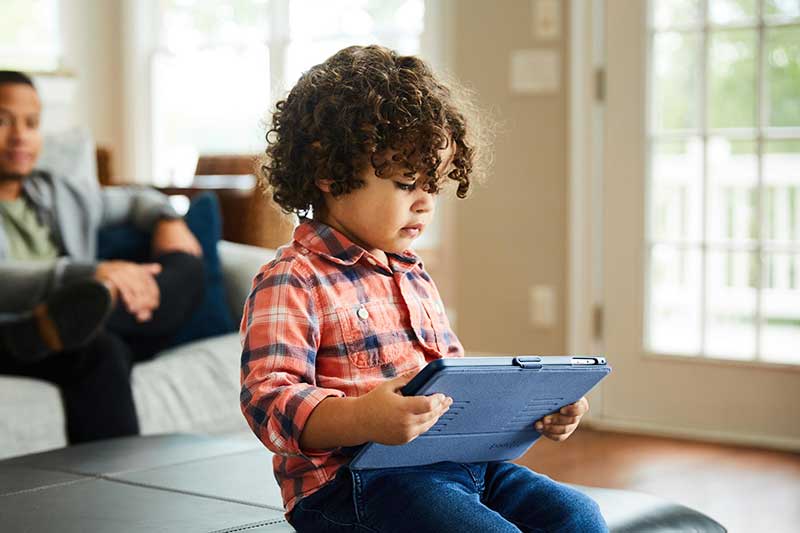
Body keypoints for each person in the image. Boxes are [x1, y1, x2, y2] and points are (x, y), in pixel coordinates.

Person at [240, 46, 607, 532]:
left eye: (431, 186)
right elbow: (268, 401)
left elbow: (450, 382)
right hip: (355, 485)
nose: (425, 204)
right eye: (406, 182)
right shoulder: (293, 278)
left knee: (578, 517)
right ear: (329, 173)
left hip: (460, 467)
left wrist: (532, 412)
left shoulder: (412, 273)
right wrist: (362, 419)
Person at [0, 70, 206, 444]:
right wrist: (93, 274)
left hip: (73, 324)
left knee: (187, 266)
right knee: (102, 349)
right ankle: (119, 488)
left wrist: (167, 218)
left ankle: (97, 308)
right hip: (9, 327)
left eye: (31, 123)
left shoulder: (56, 192)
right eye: (3, 120)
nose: (20, 136)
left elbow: (133, 199)